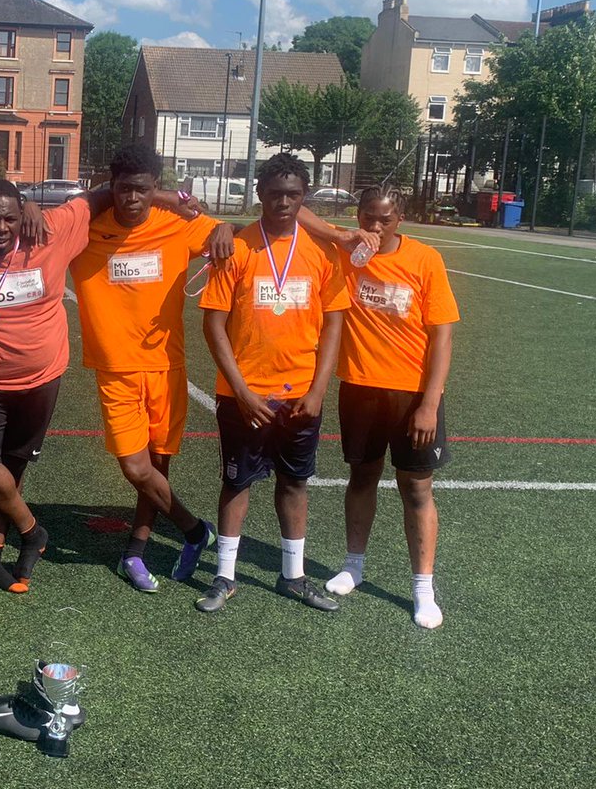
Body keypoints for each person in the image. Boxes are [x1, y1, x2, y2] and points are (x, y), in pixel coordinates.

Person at [0, 179, 197, 593]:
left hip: (40, 380)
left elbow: (104, 194)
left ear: (22, 213)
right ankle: (31, 531)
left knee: (11, 468)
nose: (2, 227)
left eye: (10, 217)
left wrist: (175, 199)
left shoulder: (51, 229)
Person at [69, 144, 233, 592]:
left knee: (159, 466)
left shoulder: (179, 225)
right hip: (116, 370)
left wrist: (223, 227)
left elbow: (229, 233)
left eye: (143, 190)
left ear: (155, 188)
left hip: (167, 364)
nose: (133, 199)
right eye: (124, 189)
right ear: (111, 187)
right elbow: (55, 220)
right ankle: (196, 530)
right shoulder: (85, 230)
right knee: (136, 468)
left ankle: (135, 552)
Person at [196, 153, 350, 613]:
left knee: (295, 482)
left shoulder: (323, 253)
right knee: (237, 483)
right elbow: (213, 325)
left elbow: (334, 324)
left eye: (293, 194)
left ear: (304, 199)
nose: (283, 201)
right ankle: (224, 577)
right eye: (276, 193)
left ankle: (293, 576)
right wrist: (241, 390)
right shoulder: (236, 248)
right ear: (260, 193)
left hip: (301, 395)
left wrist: (319, 389)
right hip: (245, 395)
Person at [301, 186, 458, 628]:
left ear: (399, 219)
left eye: (384, 219)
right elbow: (298, 212)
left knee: (416, 489)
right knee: (362, 477)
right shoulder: (348, 254)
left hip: (412, 396)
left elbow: (442, 336)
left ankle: (423, 588)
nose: (374, 226)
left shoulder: (425, 260)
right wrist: (344, 235)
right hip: (360, 388)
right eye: (367, 217)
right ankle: (353, 566)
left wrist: (430, 403)